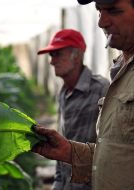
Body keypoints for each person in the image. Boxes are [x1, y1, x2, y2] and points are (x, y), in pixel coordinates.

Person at [32, 0, 134, 189]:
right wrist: (69, 151)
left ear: (76, 55)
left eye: (113, 10)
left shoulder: (99, 88)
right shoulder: (117, 75)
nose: (101, 22)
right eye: (98, 11)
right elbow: (117, 154)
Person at [37, 29, 109, 190]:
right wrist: (58, 182)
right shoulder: (63, 93)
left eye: (57, 54)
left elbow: (111, 146)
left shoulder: (101, 89)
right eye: (51, 55)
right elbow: (61, 140)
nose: (52, 61)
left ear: (76, 55)